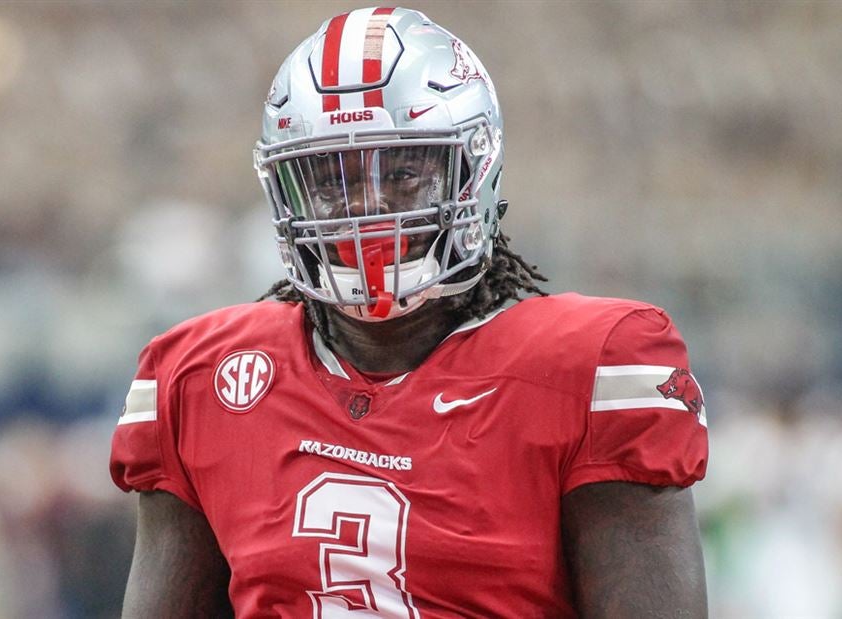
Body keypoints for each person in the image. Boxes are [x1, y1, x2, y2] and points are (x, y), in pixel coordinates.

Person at [111, 7, 708, 617]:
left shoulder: (593, 368)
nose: (368, 208)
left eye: (401, 173)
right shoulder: (202, 379)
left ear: (474, 172)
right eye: (332, 181)